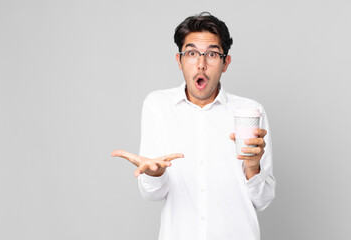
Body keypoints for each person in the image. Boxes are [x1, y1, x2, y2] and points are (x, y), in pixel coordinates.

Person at [112, 12, 275, 240]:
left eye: (211, 54)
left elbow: (263, 200)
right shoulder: (158, 106)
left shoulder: (249, 112)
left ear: (225, 62)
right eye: (191, 53)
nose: (201, 64)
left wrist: (253, 168)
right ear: (179, 60)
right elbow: (152, 194)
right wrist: (156, 175)